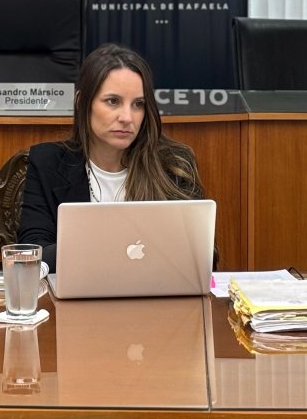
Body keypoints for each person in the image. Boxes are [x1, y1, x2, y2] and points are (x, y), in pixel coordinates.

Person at [17, 43, 205, 272]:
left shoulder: (173, 165)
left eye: (138, 104)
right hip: (76, 302)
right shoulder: (47, 162)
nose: (127, 117)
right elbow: (33, 255)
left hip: (153, 298)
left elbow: (205, 256)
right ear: (81, 103)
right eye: (113, 101)